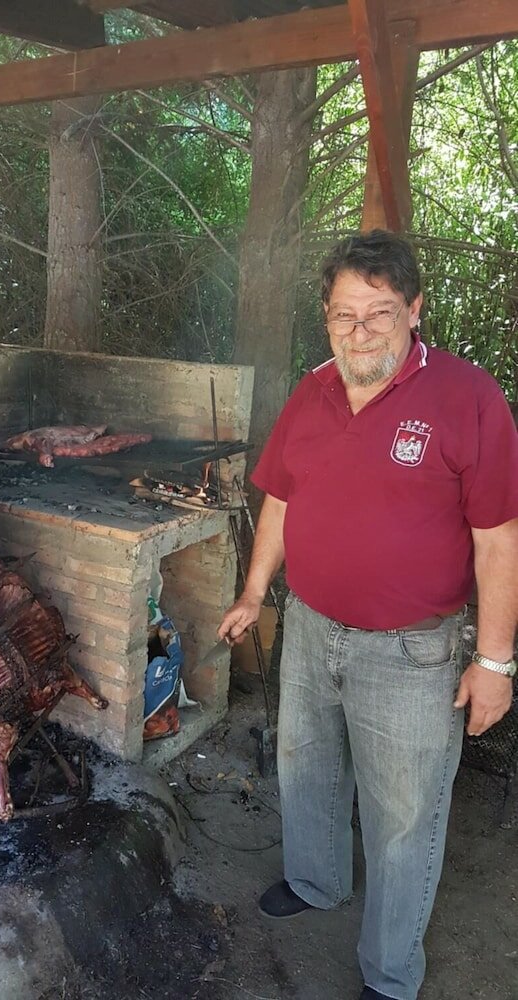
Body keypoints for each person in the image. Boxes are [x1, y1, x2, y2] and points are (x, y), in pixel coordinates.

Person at [218, 230, 518, 1000]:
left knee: (405, 817)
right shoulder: (312, 389)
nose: (359, 333)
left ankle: (389, 974)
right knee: (306, 769)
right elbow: (280, 497)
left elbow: (498, 541)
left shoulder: (469, 399)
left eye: (378, 314)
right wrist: (255, 593)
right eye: (343, 316)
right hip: (312, 629)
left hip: (413, 651)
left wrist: (493, 663)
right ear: (326, 317)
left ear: (415, 311)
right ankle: (316, 882)